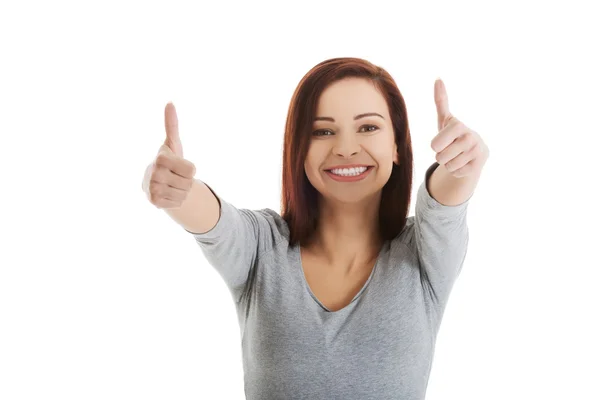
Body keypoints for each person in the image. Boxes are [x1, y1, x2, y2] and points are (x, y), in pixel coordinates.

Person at [142, 57, 489, 399]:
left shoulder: (425, 253)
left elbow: (448, 195)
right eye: (323, 131)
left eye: (368, 127)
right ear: (300, 150)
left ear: (397, 145)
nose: (346, 149)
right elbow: (206, 214)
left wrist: (465, 162)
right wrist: (168, 186)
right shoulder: (261, 248)